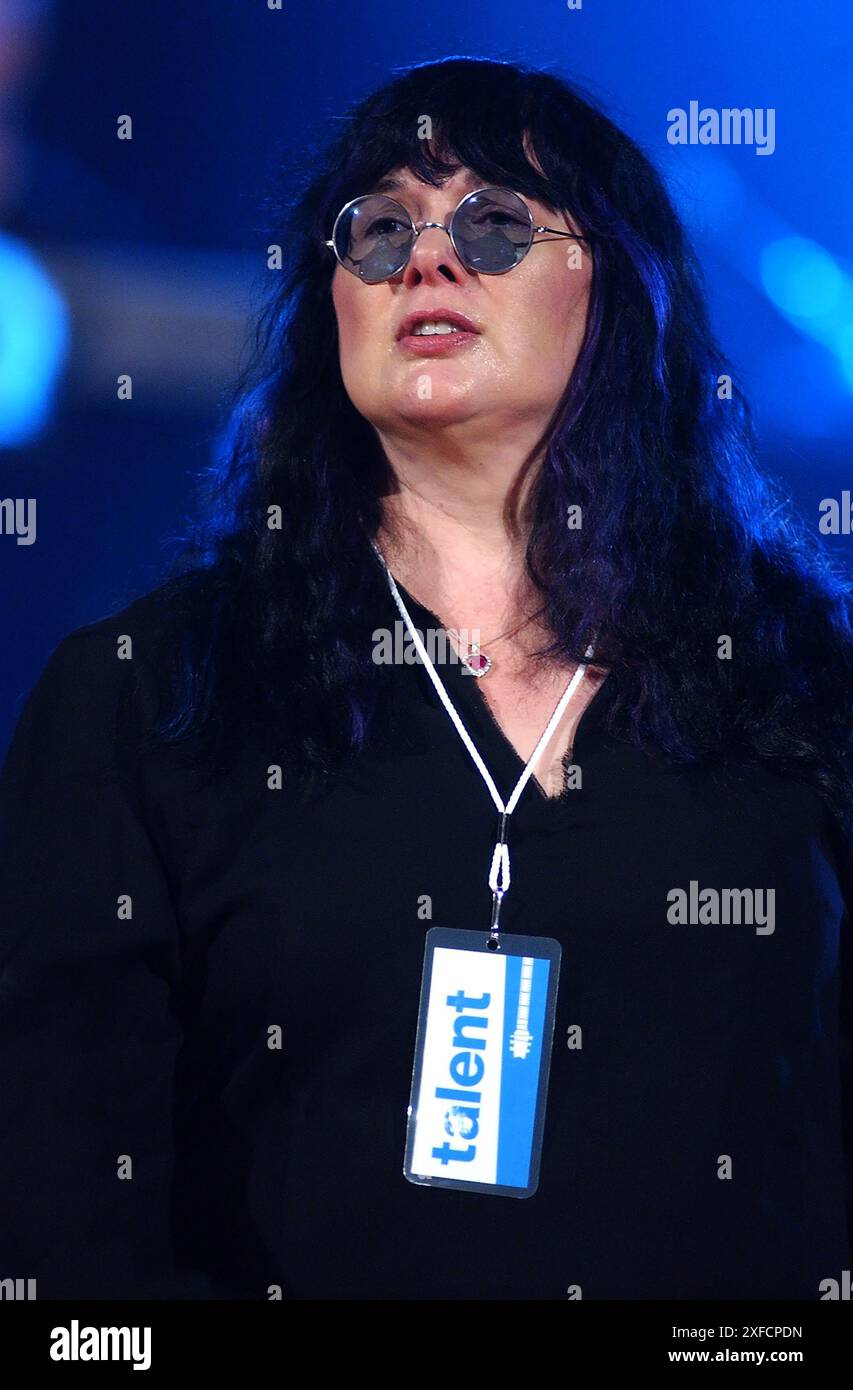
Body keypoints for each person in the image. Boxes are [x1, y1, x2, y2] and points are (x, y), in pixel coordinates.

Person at [1, 56, 851, 1302]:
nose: (427, 259)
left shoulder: (798, 690)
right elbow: (61, 1230)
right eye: (379, 227)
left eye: (497, 224)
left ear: (620, 291)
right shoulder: (149, 698)